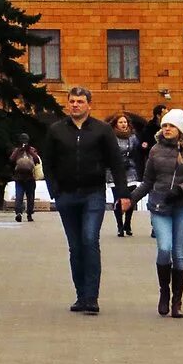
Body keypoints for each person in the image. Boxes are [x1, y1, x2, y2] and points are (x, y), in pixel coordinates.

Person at [41, 86, 130, 315]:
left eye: (80, 101)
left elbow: (116, 164)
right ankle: (81, 295)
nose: (75, 105)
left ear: (89, 104)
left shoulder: (102, 130)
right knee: (75, 247)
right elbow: (48, 163)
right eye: (72, 101)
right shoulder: (57, 130)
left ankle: (92, 297)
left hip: (93, 194)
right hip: (66, 196)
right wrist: (55, 191)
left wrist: (123, 194)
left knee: (90, 240)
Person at [129, 109, 183, 318]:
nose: (166, 129)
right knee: (164, 248)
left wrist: (181, 189)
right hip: (160, 207)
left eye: (171, 126)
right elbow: (147, 180)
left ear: (180, 129)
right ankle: (164, 292)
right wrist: (132, 198)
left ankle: (177, 301)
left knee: (179, 255)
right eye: (164, 126)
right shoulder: (155, 150)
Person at [109, 113, 140, 238]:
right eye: (121, 122)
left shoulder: (133, 137)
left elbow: (136, 152)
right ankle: (119, 225)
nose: (123, 124)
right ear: (116, 124)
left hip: (130, 170)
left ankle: (128, 223)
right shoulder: (111, 137)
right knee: (118, 199)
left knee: (130, 198)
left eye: (125, 122)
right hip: (114, 171)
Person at [9, 133, 41, 222]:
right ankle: (19, 213)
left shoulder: (32, 149)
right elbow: (12, 159)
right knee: (20, 196)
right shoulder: (17, 150)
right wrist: (19, 150)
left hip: (29, 177)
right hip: (20, 177)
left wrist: (29, 150)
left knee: (29, 197)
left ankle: (29, 214)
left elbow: (37, 160)